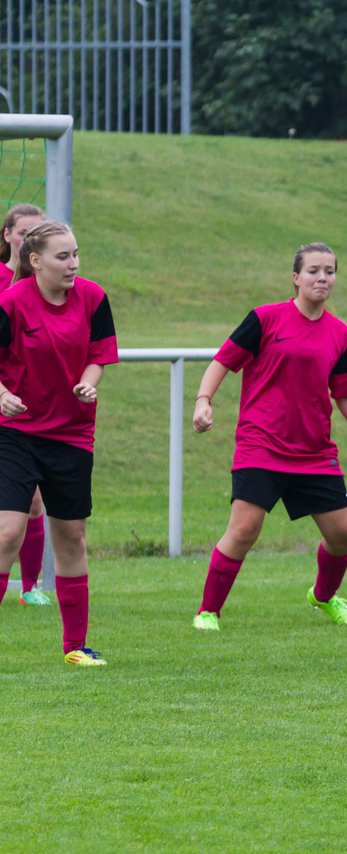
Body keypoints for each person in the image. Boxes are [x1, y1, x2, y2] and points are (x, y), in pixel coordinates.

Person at [191, 242, 347, 631]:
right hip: (260, 446)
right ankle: (208, 612)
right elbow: (223, 361)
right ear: (296, 277)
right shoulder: (265, 319)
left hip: (315, 453)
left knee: (343, 536)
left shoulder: (340, 334)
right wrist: (203, 401)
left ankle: (322, 597)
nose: (323, 278)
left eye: (330, 271)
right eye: (314, 270)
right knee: (244, 530)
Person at [0, 220, 118, 665]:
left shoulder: (92, 297)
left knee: (71, 535)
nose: (73, 264)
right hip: (16, 433)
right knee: (7, 532)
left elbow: (98, 355)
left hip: (71, 434)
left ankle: (75, 648)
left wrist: (88, 383)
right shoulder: (10, 302)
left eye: (75, 255)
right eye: (62, 256)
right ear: (35, 261)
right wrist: (3, 395)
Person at [0, 204, 52, 606]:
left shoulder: (49, 284)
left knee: (32, 500)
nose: (30, 237)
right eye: (23, 232)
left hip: (23, 406)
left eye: (39, 231)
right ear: (8, 236)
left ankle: (31, 587)